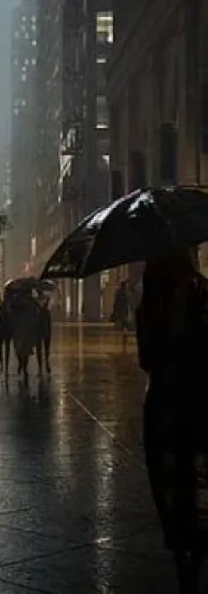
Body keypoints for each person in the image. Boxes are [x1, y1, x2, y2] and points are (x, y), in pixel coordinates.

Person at [136, 249, 208, 593]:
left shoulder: (151, 302)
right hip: (201, 399)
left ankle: (182, 547)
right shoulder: (205, 292)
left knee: (169, 475)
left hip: (164, 402)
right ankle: (197, 542)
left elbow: (146, 358)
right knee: (197, 472)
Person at [9, 290, 39, 386]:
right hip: (27, 330)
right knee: (25, 350)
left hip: (19, 330)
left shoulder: (17, 303)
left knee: (20, 349)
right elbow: (35, 315)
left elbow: (12, 314)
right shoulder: (31, 303)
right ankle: (24, 366)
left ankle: (21, 365)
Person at [0, 297, 12, 375]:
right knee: (2, 347)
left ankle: (3, 363)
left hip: (3, 330)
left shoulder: (6, 310)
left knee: (1, 347)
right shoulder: (0, 309)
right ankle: (3, 363)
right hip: (3, 330)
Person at [36, 295, 52, 375]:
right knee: (41, 350)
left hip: (43, 332)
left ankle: (45, 364)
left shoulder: (44, 311)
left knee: (44, 350)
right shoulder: (43, 311)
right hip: (40, 332)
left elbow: (49, 324)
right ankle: (43, 365)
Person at [112, 280, 130, 348]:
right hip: (123, 309)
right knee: (123, 320)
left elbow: (116, 302)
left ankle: (123, 329)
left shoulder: (119, 292)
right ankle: (124, 329)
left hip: (121, 309)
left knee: (122, 320)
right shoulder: (125, 293)